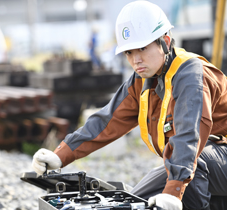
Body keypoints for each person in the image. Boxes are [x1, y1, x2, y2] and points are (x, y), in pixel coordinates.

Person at [32, 1, 227, 210]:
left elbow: (189, 136)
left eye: (142, 48)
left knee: (181, 173)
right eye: (129, 53)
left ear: (165, 42)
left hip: (216, 158)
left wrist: (173, 193)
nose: (136, 60)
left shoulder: (190, 75)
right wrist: (60, 156)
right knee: (137, 198)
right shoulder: (142, 80)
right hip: (212, 164)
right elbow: (106, 121)